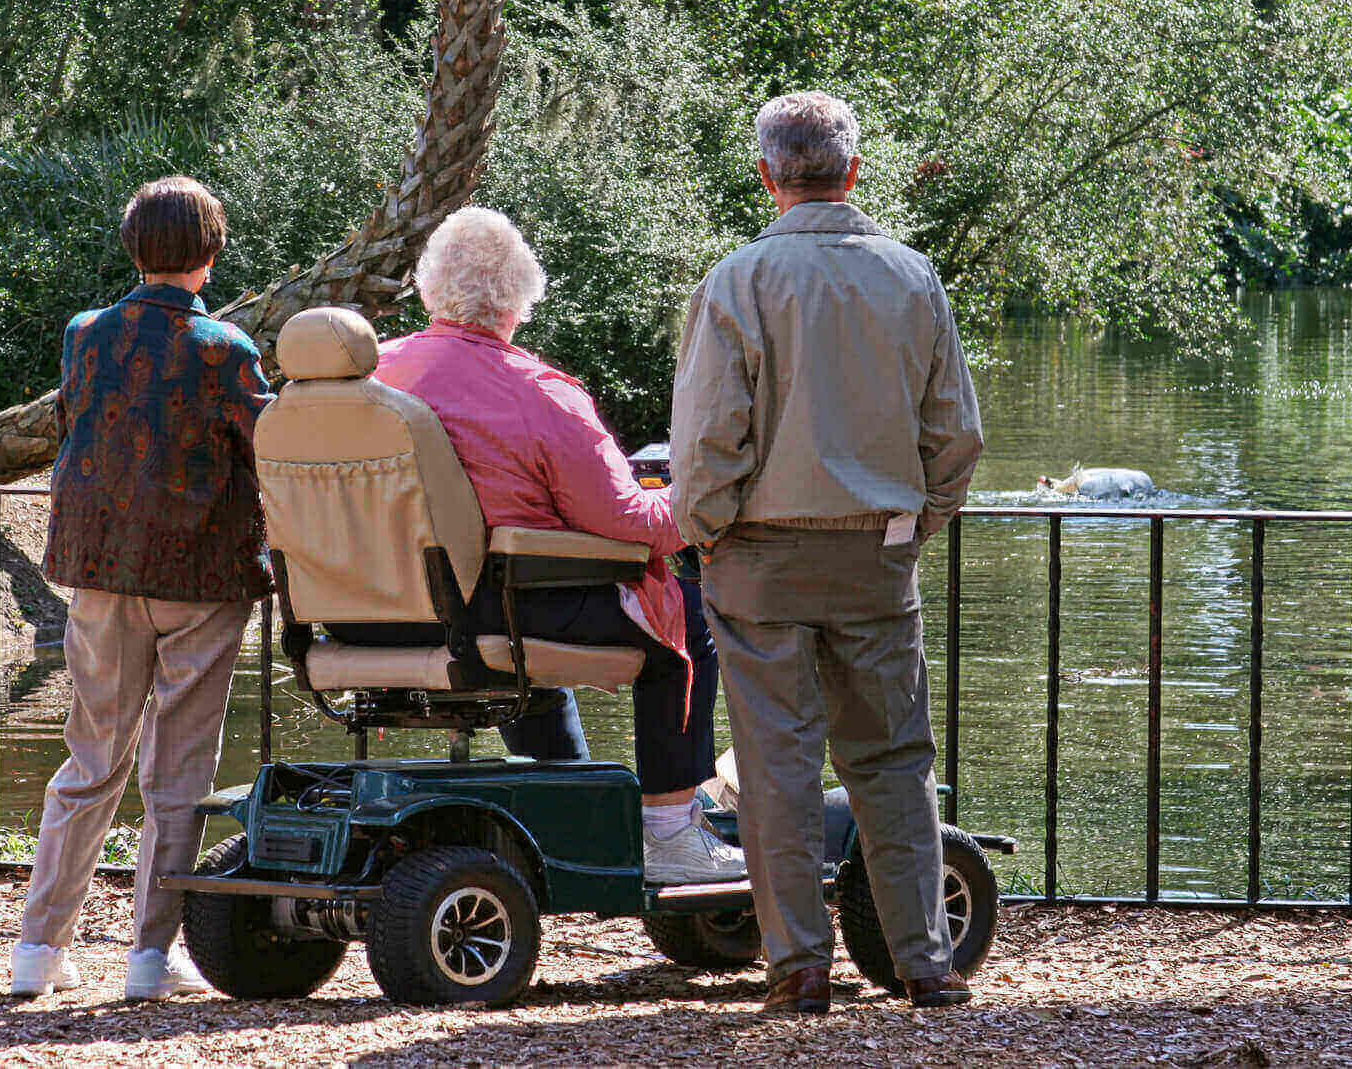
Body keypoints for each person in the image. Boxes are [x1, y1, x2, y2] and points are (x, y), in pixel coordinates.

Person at [670, 92, 984, 1014]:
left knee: (776, 763)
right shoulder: (911, 276)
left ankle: (799, 966)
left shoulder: (736, 281)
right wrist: (913, 526)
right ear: (853, 170)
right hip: (876, 553)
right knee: (892, 760)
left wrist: (710, 528)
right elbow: (954, 435)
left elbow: (707, 443)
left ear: (768, 175)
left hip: (760, 555)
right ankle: (926, 962)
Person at [375, 207, 743, 885]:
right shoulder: (541, 393)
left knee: (535, 610)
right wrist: (697, 494)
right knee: (684, 618)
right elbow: (633, 522)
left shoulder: (368, 378)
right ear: (518, 300)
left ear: (428, 290)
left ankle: (569, 795)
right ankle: (670, 830)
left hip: (365, 615)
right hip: (485, 610)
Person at [9, 177, 273, 1001]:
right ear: (210, 250)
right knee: (179, 773)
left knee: (91, 759)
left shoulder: (84, 333)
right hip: (200, 573)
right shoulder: (226, 346)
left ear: (134, 247)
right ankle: (151, 958)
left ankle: (37, 949)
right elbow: (267, 443)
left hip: (101, 569)